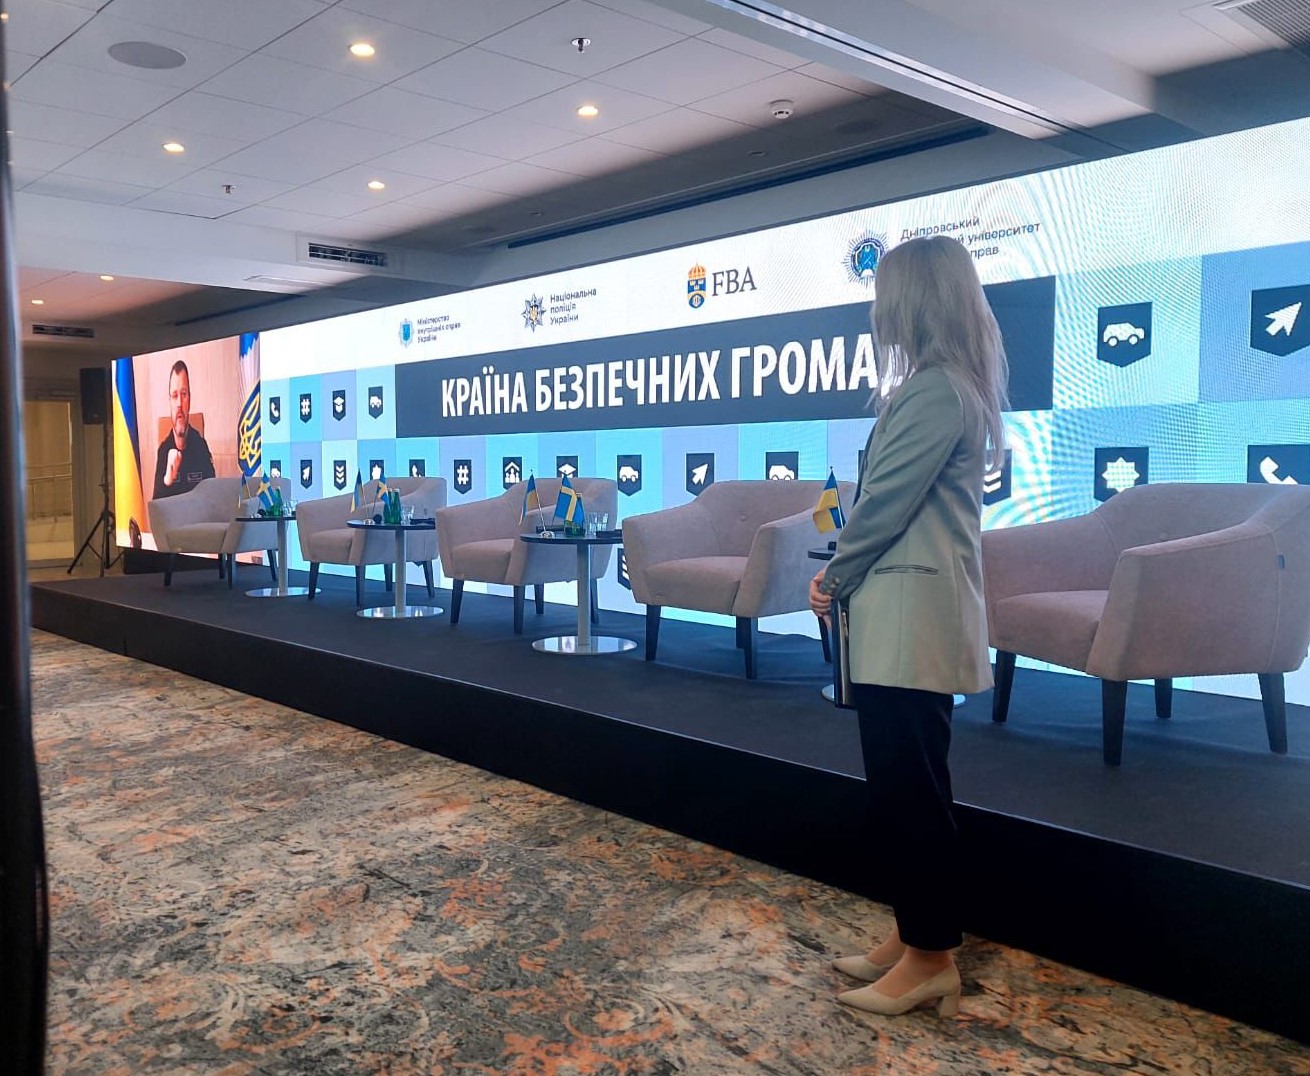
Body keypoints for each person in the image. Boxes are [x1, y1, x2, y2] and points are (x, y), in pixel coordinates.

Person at [809, 235, 1008, 1017]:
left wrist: (834, 575)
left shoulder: (935, 392)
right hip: (907, 619)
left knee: (912, 791)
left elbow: (883, 504)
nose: (876, 312)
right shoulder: (944, 386)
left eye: (885, 296)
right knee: (905, 785)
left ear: (913, 301)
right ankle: (915, 933)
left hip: (910, 620)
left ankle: (930, 958)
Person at [152, 360, 214, 499]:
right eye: (175, 396)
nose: (179, 403)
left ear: (189, 399)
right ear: (170, 402)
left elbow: (213, 497)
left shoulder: (201, 446)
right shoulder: (163, 451)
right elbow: (156, 507)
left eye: (184, 394)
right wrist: (167, 480)